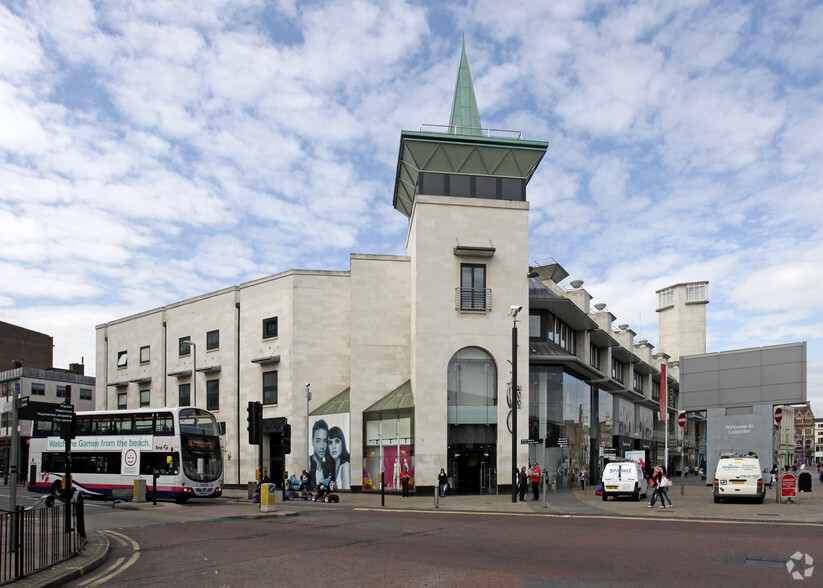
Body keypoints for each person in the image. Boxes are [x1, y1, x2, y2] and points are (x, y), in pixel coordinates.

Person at [309, 419, 333, 489]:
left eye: (325, 441)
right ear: (312, 441)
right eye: (318, 441)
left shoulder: (327, 468)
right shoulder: (309, 465)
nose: (322, 446)